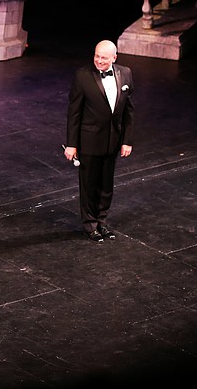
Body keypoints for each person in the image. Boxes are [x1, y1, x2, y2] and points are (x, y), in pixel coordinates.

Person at [63, 40, 134, 242]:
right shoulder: (83, 76)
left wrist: (126, 140)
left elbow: (129, 111)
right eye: (97, 56)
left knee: (106, 185)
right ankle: (90, 225)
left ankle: (102, 222)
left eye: (104, 57)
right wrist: (71, 144)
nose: (99, 61)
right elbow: (74, 113)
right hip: (89, 141)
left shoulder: (126, 73)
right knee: (89, 184)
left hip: (113, 140)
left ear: (114, 57)